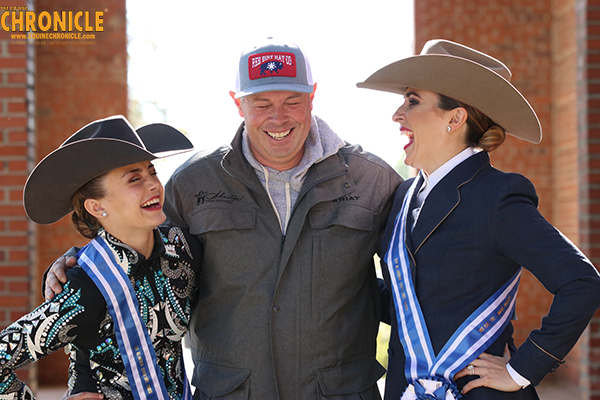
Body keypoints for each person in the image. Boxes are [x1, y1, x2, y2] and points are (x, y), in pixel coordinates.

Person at [45, 38, 403, 399]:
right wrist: (82, 267)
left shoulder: (372, 180)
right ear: (238, 103)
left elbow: (414, 286)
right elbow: (136, 270)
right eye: (261, 104)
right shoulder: (194, 182)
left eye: (292, 101)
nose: (278, 117)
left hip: (341, 393)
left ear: (312, 95)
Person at [356, 39, 600, 399]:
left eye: (413, 101)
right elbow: (411, 307)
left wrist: (522, 370)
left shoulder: (498, 196)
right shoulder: (401, 197)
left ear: (454, 118)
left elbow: (582, 282)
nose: (397, 114)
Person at [0, 115, 201, 400]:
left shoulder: (184, 250)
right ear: (96, 206)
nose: (154, 185)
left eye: (151, 172)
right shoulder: (81, 286)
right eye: (134, 179)